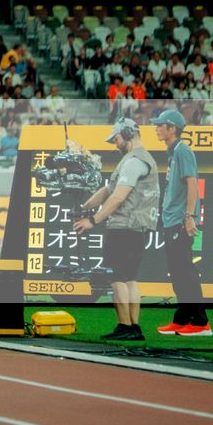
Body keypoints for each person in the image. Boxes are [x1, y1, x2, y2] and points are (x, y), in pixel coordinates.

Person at [72, 117, 160, 343]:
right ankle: (133, 327)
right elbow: (107, 190)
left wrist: (93, 219)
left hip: (125, 226)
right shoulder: (138, 160)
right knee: (129, 278)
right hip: (137, 227)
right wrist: (84, 206)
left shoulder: (132, 162)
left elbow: (118, 196)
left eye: (117, 138)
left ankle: (124, 325)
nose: (115, 143)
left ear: (129, 135)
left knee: (118, 278)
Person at [151, 108, 210, 337]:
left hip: (179, 221)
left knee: (185, 272)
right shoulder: (174, 152)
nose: (156, 127)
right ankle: (182, 318)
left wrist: (189, 217)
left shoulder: (183, 151)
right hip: (171, 220)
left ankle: (201, 322)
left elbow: (193, 184)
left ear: (171, 128)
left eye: (160, 124)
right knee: (177, 272)